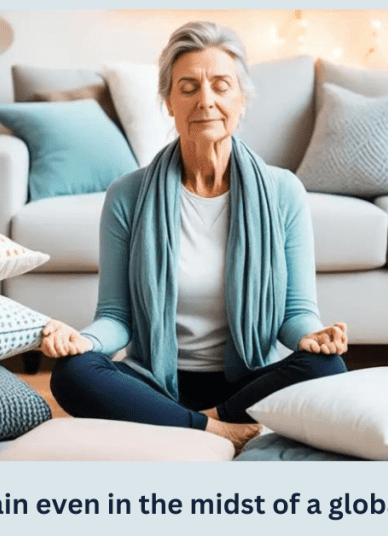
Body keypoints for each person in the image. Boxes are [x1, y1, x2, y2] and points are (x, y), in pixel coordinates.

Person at [42, 21, 348, 449]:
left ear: (242, 98)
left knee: (328, 367)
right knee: (73, 374)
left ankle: (186, 424)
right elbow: (116, 316)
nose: (206, 100)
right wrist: (83, 341)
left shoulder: (282, 192)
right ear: (168, 102)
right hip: (157, 382)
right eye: (188, 87)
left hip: (247, 382)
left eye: (221, 86)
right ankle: (215, 431)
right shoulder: (127, 195)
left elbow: (295, 311)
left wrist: (312, 337)